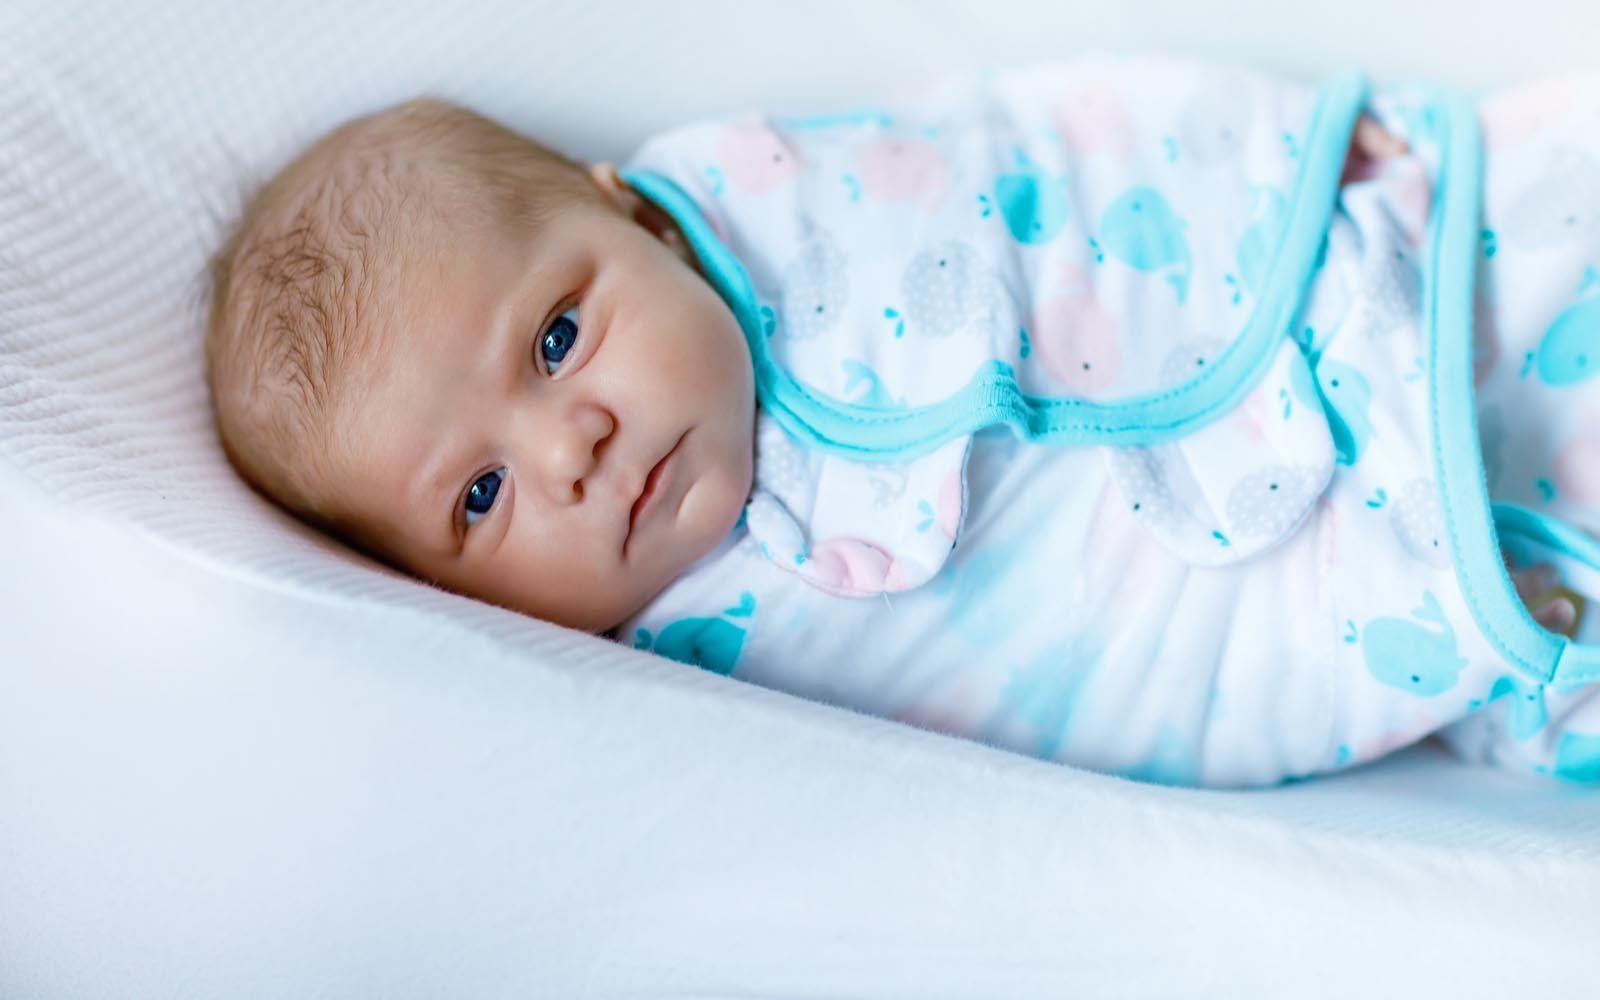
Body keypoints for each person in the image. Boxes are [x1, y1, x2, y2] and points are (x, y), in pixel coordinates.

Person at [205, 52, 1600, 786]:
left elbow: (1038, 149)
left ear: (626, 208)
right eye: (479, 499)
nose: (571, 450)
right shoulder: (675, 687)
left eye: (558, 339)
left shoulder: (799, 203)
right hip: (1388, 599)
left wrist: (1277, 162)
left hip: (1383, 273)